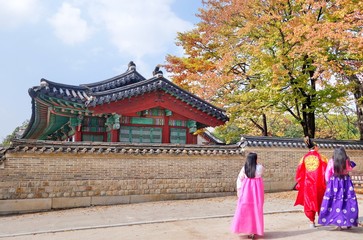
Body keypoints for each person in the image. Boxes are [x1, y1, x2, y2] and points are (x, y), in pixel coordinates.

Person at [318, 146, 359, 230]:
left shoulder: (332, 161)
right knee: (348, 201)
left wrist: (328, 182)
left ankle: (338, 224)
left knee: (336, 202)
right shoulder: (347, 161)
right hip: (346, 182)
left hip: (334, 182)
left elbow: (327, 173)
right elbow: (349, 169)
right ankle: (349, 222)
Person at [294, 136, 328, 228]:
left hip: (308, 185)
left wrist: (300, 182)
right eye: (317, 146)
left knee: (309, 202)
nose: (318, 147)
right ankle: (322, 219)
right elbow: (326, 172)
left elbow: (299, 173)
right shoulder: (322, 158)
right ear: (314, 147)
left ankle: (311, 221)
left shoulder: (303, 158)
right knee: (321, 201)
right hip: (320, 184)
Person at [231, 152, 264, 239]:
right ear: (255, 159)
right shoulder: (260, 168)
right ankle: (254, 230)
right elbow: (260, 172)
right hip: (257, 193)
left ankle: (248, 229)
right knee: (256, 210)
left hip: (246, 191)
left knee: (246, 210)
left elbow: (239, 179)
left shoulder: (245, 168)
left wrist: (239, 190)